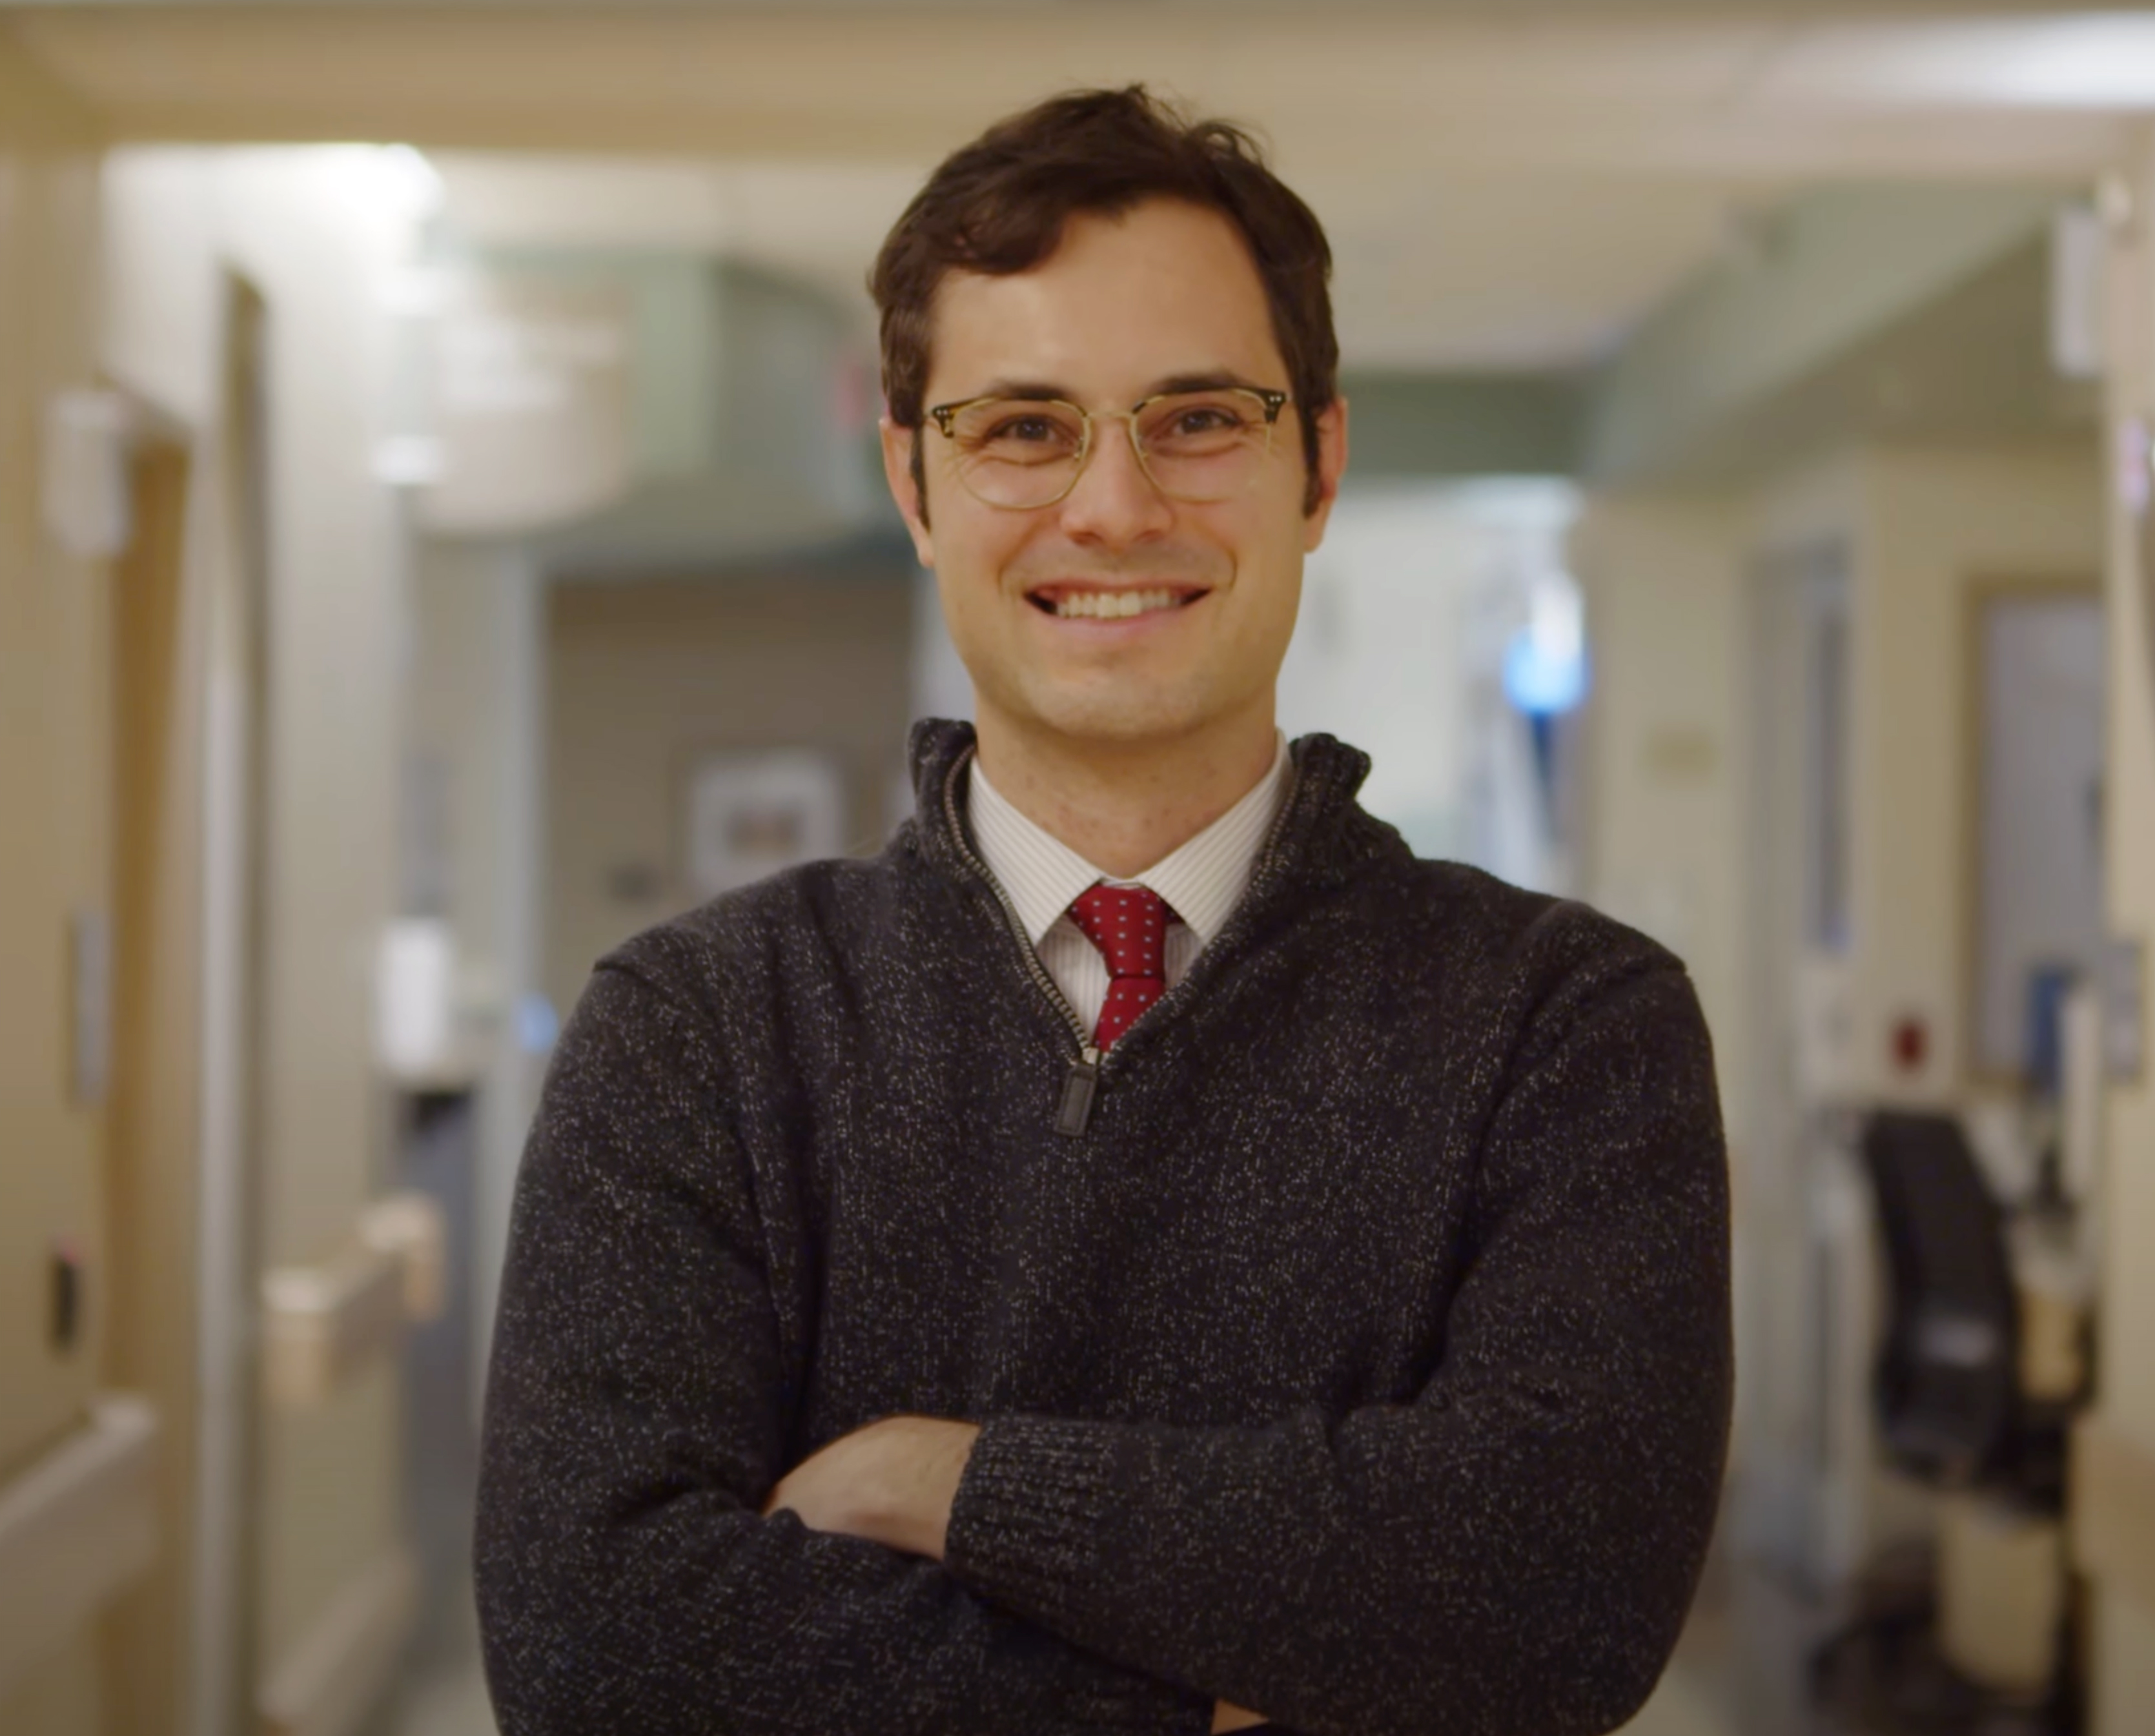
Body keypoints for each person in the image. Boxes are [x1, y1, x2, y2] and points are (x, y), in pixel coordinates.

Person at [476, 86, 1731, 1736]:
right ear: (916, 487)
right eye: (1021, 427)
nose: (1116, 508)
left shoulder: (1566, 1025)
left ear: (1320, 464)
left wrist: (955, 1485)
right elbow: (597, 1652)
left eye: (1199, 417)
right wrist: (1205, 1702)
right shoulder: (699, 1029)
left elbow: (1550, 1599)